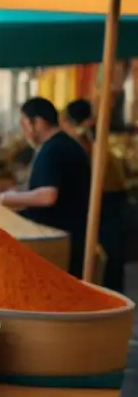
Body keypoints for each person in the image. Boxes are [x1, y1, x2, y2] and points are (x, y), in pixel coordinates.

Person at [0, 97, 91, 278]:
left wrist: (5, 199)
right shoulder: (61, 144)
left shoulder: (54, 149)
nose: (24, 131)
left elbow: (48, 195)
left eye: (24, 124)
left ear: (38, 122)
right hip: (67, 235)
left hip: (61, 239)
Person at [63, 97, 127, 289]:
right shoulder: (87, 137)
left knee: (108, 253)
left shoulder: (83, 138)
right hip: (109, 197)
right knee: (109, 254)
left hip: (107, 198)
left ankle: (109, 294)